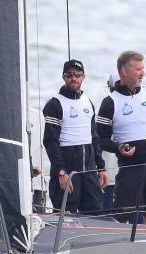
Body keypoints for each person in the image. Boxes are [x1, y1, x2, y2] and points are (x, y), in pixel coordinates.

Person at [96, 51, 146, 222]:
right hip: (132, 167)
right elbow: (100, 139)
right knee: (125, 216)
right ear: (124, 72)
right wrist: (118, 148)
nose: (143, 73)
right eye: (138, 69)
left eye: (143, 68)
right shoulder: (110, 102)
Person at [43, 59, 108, 213]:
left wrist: (101, 167)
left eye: (77, 74)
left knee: (95, 213)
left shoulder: (88, 102)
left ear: (83, 77)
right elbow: (50, 142)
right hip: (67, 173)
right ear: (63, 77)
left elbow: (95, 138)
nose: (74, 78)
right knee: (65, 214)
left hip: (89, 172)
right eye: (69, 75)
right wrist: (61, 171)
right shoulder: (54, 104)